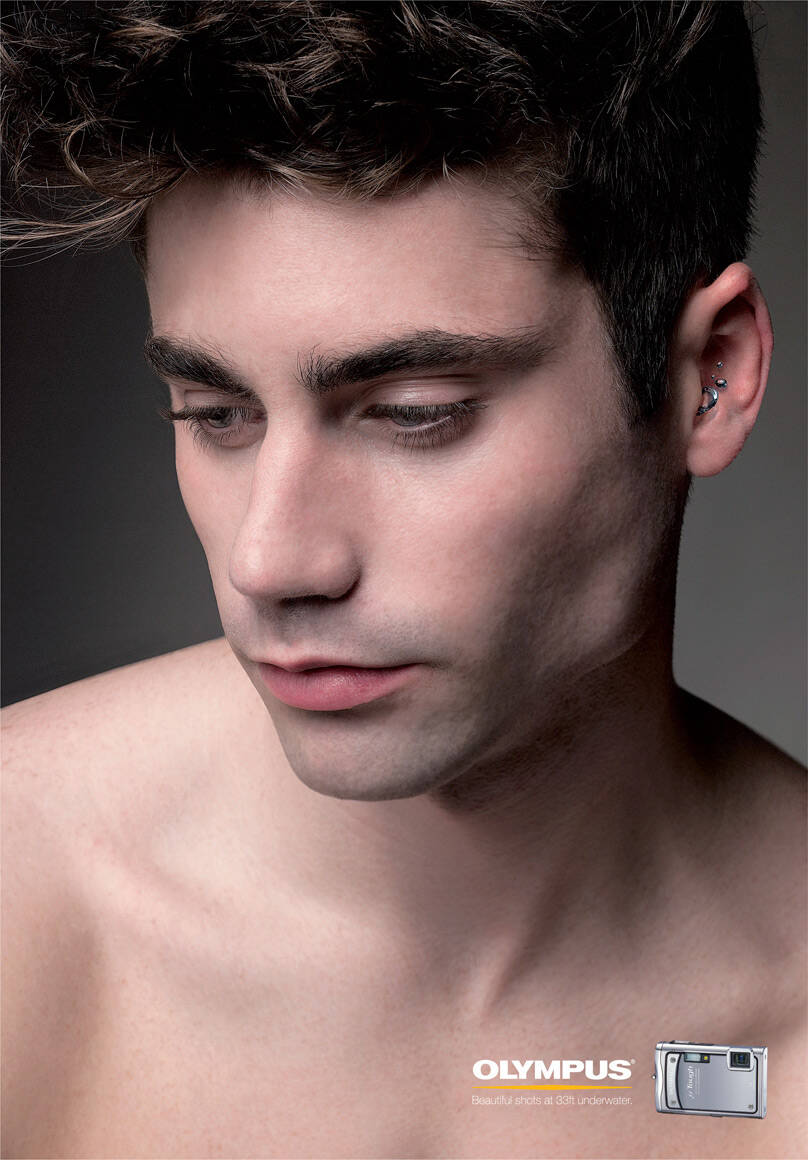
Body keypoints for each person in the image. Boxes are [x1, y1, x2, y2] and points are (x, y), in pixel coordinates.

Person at [2, 3, 805, 1158]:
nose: (270, 560)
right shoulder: (22, 894)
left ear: (708, 378)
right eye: (216, 413)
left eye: (414, 413)